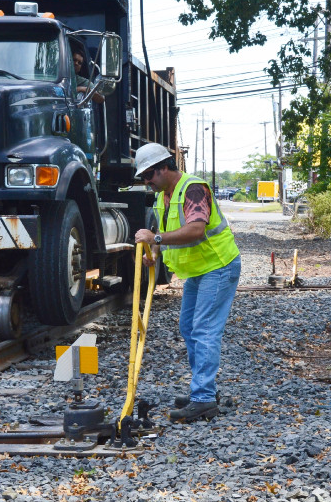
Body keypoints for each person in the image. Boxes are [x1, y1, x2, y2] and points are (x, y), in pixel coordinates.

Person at [132, 143, 240, 423]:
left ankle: (203, 398)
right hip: (199, 270)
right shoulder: (163, 195)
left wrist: (155, 240)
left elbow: (195, 229)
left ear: (165, 167)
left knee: (204, 329)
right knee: (188, 326)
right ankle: (203, 391)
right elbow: (166, 229)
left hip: (218, 265)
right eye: (143, 176)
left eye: (149, 175)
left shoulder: (192, 189)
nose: (146, 181)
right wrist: (156, 252)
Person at [71, 39, 114, 104]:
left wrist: (83, 89)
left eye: (79, 63)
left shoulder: (81, 81)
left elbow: (101, 98)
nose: (76, 63)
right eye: (74, 60)